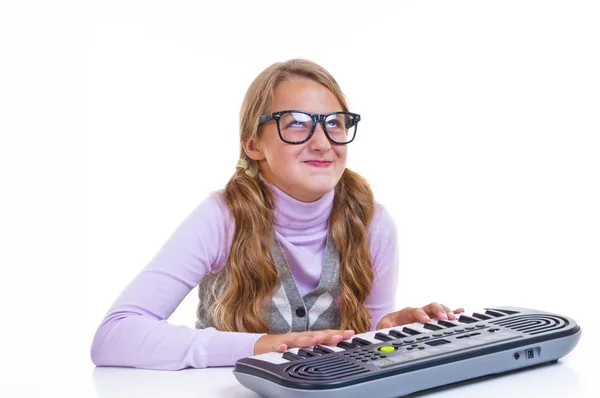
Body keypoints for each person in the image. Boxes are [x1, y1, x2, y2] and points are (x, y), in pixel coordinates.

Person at [90, 59, 463, 370]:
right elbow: (115, 336)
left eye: (334, 122)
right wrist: (261, 346)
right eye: (297, 123)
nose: (322, 142)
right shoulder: (222, 218)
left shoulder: (372, 223)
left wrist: (386, 331)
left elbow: (358, 351)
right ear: (253, 145)